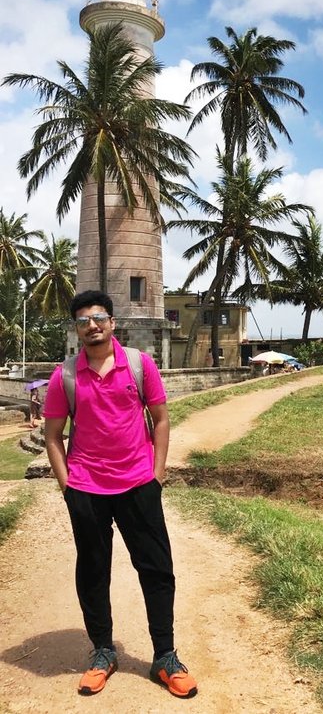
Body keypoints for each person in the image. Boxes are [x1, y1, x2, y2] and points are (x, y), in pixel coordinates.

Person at [43, 290, 197, 699]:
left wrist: (157, 473)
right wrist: (67, 486)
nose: (91, 325)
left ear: (112, 322)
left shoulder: (139, 364)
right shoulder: (66, 376)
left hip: (138, 484)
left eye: (98, 318)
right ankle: (103, 653)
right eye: (82, 320)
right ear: (76, 329)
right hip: (87, 489)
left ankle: (165, 656)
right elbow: (53, 436)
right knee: (93, 572)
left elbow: (161, 419)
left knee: (157, 569)